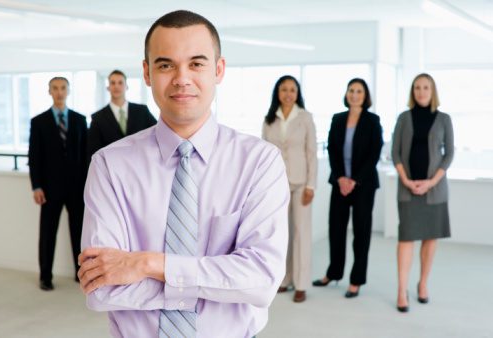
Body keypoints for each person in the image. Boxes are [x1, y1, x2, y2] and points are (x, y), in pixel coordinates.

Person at [78, 10, 289, 338]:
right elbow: (100, 289)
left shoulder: (259, 162)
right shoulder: (109, 166)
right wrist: (218, 285)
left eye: (196, 63)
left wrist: (148, 264)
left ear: (218, 70)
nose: (181, 78)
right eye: (165, 65)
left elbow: (261, 282)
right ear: (147, 73)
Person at [313, 78, 383, 298]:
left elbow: (374, 153)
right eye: (351, 90)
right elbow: (332, 150)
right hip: (340, 183)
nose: (354, 94)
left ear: (365, 96)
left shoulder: (372, 120)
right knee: (336, 229)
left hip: (364, 185)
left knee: (361, 232)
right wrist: (341, 178)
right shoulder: (338, 118)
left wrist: (354, 180)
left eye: (359, 91)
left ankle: (356, 280)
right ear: (346, 94)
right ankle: (334, 273)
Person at [391, 73, 454, 312]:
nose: (421, 91)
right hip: (407, 190)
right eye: (417, 87)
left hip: (434, 191)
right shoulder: (403, 118)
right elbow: (396, 152)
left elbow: (449, 154)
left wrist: (430, 182)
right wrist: (407, 180)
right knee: (406, 237)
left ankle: (423, 283)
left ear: (433, 90)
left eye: (426, 87)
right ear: (412, 91)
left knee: (430, 237)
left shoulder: (444, 119)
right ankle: (401, 289)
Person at [28, 77, 87, 291]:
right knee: (47, 233)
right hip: (49, 189)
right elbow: (34, 156)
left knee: (80, 232)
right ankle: (45, 276)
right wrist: (37, 186)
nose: (59, 92)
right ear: (49, 92)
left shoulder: (80, 120)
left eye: (63, 88)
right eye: (55, 88)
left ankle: (81, 273)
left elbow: (85, 156)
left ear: (68, 91)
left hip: (76, 188)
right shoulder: (39, 121)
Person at [262, 75, 317, 303]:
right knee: (280, 234)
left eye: (292, 90)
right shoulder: (269, 119)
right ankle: (283, 279)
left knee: (301, 232)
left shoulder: (305, 118)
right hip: (276, 184)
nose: (288, 93)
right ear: (278, 92)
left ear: (297, 93)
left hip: (301, 182)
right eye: (284, 89)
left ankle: (301, 283)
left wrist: (311, 185)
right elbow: (263, 153)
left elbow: (311, 153)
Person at [87, 69, 157, 162]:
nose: (116, 86)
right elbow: (93, 151)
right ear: (108, 87)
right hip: (112, 169)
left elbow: (156, 134)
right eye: (113, 83)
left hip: (141, 165)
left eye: (120, 83)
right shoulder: (97, 118)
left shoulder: (142, 111)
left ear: (126, 86)